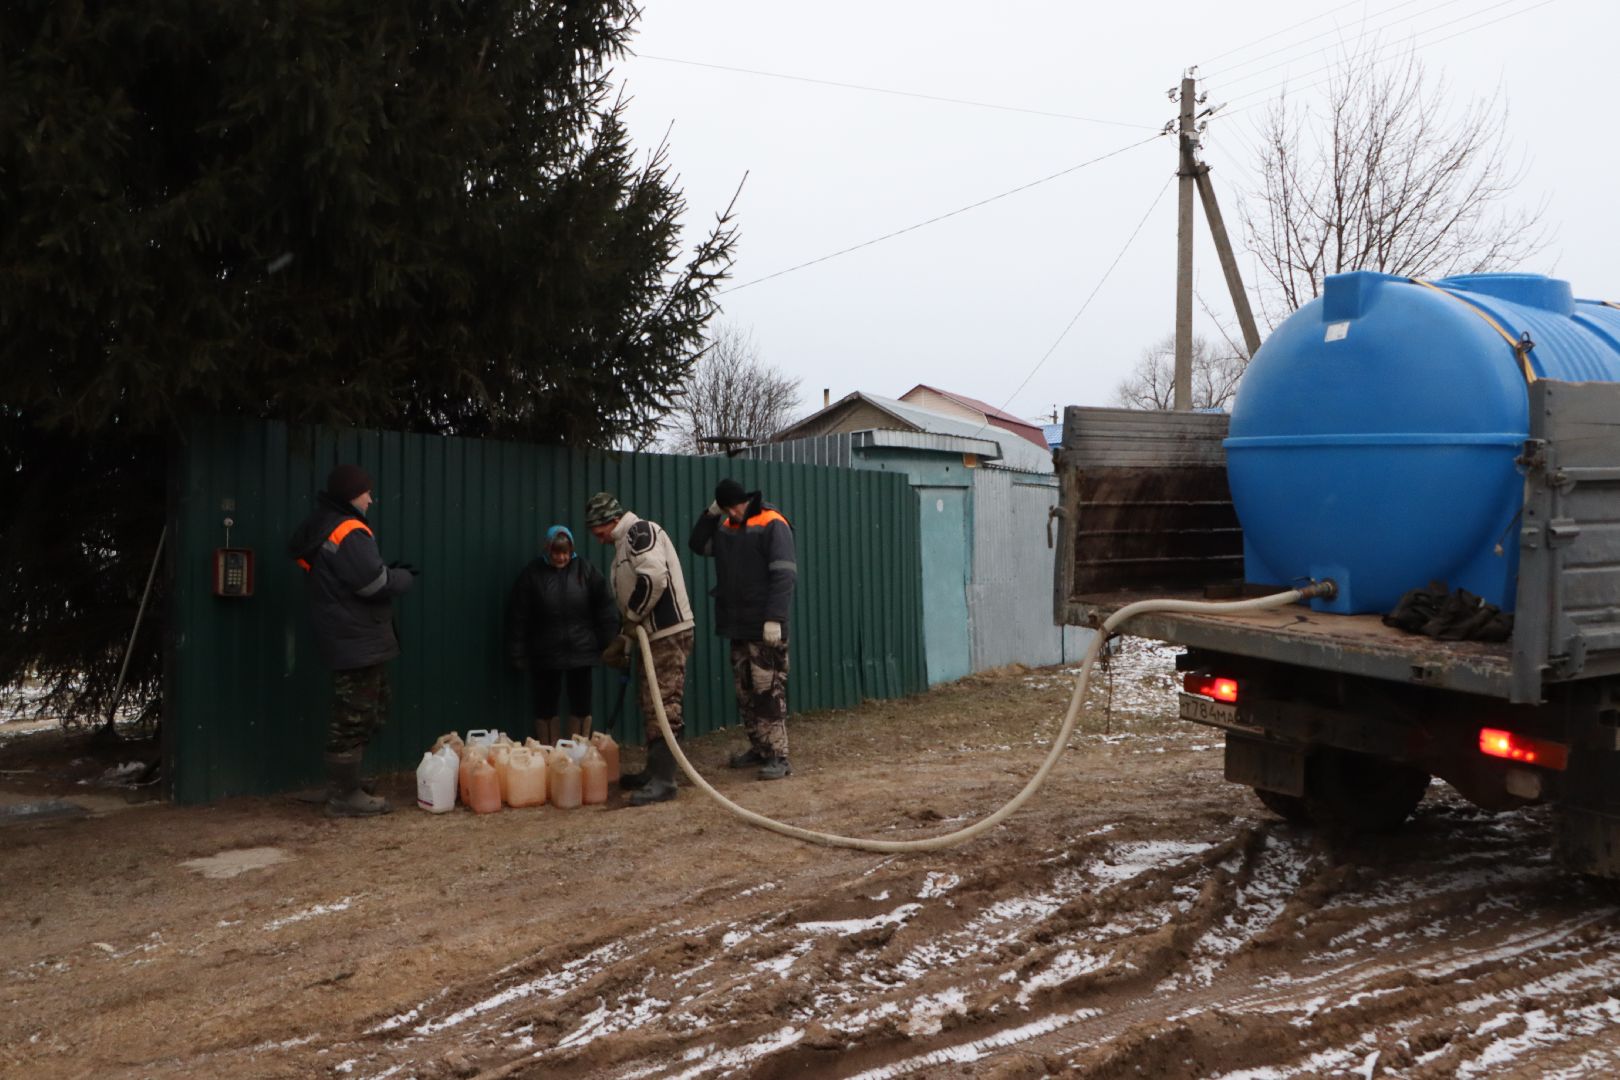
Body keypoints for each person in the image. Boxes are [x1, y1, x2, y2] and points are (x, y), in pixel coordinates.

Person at [287, 463, 415, 817]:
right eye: (366, 492)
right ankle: (344, 794)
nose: (371, 499)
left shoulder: (327, 525)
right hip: (356, 638)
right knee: (354, 714)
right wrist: (402, 578)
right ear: (351, 495)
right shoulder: (348, 530)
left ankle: (346, 781)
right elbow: (372, 584)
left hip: (350, 635)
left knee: (370, 708)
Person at [585, 491, 695, 807]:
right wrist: (627, 640)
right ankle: (655, 770)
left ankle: (665, 780)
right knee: (651, 704)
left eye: (598, 530)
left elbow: (654, 577)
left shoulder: (639, 531)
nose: (597, 538)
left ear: (610, 520)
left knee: (664, 704)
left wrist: (631, 622)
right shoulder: (622, 545)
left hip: (668, 633)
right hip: (652, 636)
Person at [689, 477, 797, 780]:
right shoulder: (726, 527)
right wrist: (711, 513)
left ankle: (779, 755)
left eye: (732, 508)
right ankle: (760, 748)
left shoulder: (773, 523)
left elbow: (784, 574)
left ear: (745, 500)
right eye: (725, 510)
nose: (731, 514)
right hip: (737, 625)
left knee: (768, 689)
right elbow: (697, 544)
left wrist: (774, 618)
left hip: (765, 626)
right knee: (745, 691)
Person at [504, 525, 618, 743]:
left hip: (582, 651)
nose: (561, 557)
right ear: (548, 550)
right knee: (545, 704)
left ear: (571, 550)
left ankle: (579, 747)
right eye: (556, 552)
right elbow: (518, 615)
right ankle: (549, 749)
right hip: (546, 652)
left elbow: (605, 607)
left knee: (582, 703)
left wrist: (609, 641)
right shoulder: (532, 574)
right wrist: (517, 652)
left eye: (565, 552)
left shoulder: (586, 570)